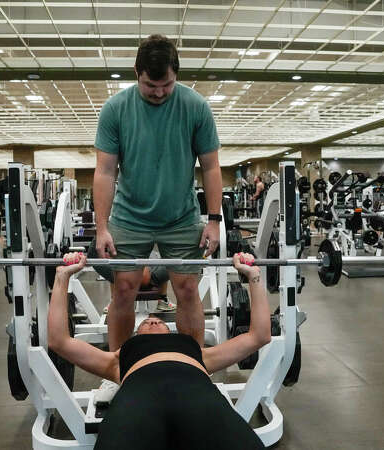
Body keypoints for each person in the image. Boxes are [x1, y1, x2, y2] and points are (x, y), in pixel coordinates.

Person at [48, 252, 269, 450]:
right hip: (137, 402)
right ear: (134, 338)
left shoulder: (199, 354)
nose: (152, 320)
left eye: (157, 321)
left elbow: (259, 336)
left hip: (198, 399)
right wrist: (62, 277)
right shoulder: (117, 360)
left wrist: (254, 276)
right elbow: (59, 341)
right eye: (145, 323)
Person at [93, 34, 222, 352]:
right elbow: (105, 171)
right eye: (151, 85)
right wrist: (102, 227)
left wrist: (214, 220)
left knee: (188, 289)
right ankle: (118, 369)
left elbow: (211, 167)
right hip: (129, 215)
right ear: (137, 72)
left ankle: (194, 366)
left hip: (181, 215)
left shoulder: (195, 106)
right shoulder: (115, 109)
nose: (160, 92)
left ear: (176, 75)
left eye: (167, 84)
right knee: (123, 289)